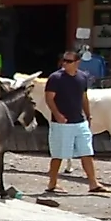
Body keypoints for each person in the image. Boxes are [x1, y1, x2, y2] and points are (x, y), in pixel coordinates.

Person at [44, 49, 104, 197]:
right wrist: (57, 114)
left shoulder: (82, 77)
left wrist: (88, 115)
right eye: (64, 60)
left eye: (69, 61)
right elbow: (49, 98)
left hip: (79, 121)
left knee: (87, 152)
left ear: (77, 62)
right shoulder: (55, 78)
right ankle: (52, 183)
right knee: (58, 154)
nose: (65, 64)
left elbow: (84, 97)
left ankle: (93, 183)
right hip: (62, 123)